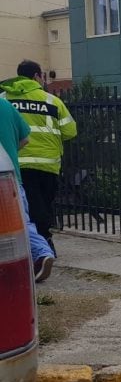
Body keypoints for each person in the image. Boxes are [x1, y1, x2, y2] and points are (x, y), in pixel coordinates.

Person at [0, 59, 77, 256]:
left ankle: (33, 247)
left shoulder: (4, 99)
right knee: (44, 205)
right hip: (47, 165)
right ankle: (44, 245)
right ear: (37, 76)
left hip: (15, 165)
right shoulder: (52, 101)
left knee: (20, 210)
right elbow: (70, 131)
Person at [0, 96, 56, 282]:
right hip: (11, 177)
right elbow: (25, 139)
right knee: (22, 223)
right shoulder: (5, 106)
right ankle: (40, 254)